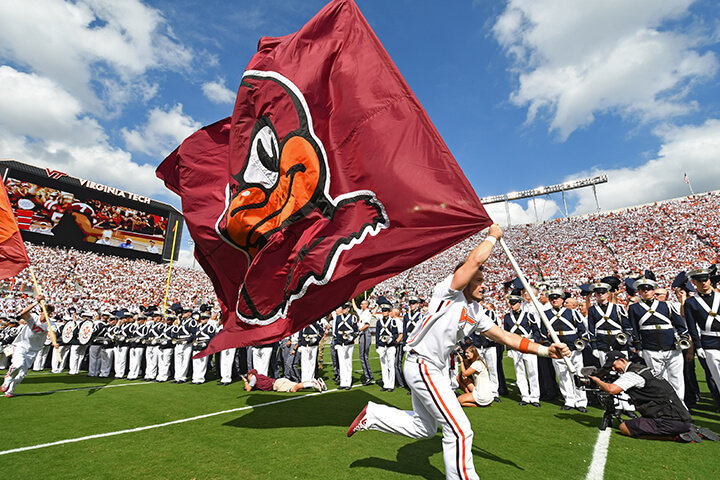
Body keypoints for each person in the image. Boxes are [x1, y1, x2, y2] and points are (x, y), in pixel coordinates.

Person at [347, 224, 570, 480]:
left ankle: (375, 415)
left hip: (434, 368)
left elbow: (506, 336)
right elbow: (474, 260)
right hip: (422, 364)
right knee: (460, 430)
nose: (484, 286)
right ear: (464, 280)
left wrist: (545, 350)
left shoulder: (477, 313)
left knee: (425, 428)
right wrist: (492, 237)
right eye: (479, 280)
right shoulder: (448, 293)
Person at [589, 351, 719, 442]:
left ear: (622, 360)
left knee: (625, 428)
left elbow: (612, 390)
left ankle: (677, 436)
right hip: (681, 415)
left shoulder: (632, 374)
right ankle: (687, 428)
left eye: (614, 365)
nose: (613, 369)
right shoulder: (643, 369)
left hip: (669, 419)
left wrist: (597, 380)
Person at [628, 276, 688, 400]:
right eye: (642, 289)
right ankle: (666, 404)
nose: (645, 291)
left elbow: (680, 325)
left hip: (671, 347)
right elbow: (634, 329)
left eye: (648, 289)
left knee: (676, 378)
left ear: (653, 291)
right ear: (639, 292)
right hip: (651, 348)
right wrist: (639, 347)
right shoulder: (634, 308)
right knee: (659, 379)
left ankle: (680, 404)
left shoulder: (667, 306)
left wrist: (683, 338)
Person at [540, 287, 590, 412]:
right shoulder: (545, 315)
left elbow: (583, 331)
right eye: (551, 298)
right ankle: (569, 400)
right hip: (558, 350)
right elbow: (542, 334)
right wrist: (549, 346)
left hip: (573, 348)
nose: (554, 300)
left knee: (578, 375)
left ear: (562, 300)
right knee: (563, 376)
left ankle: (581, 402)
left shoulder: (572, 313)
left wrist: (581, 344)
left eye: (556, 298)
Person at [2, 296, 58, 397]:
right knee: (17, 365)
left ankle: (11, 389)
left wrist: (54, 342)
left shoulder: (50, 323)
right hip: (21, 346)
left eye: (50, 312)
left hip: (33, 350)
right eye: (46, 311)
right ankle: (8, 379)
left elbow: (52, 333)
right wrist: (36, 302)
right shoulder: (33, 318)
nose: (48, 314)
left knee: (22, 373)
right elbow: (23, 313)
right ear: (41, 311)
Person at [684, 267, 720, 411]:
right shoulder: (691, 302)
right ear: (694, 283)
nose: (703, 283)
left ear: (710, 280)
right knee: (717, 376)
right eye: (699, 281)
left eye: (705, 280)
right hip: (709, 342)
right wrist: (698, 346)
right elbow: (692, 326)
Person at [503, 289, 541, 407]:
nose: (512, 305)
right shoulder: (507, 317)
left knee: (532, 371)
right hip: (515, 345)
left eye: (514, 303)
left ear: (520, 303)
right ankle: (524, 396)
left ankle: (535, 397)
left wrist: (533, 339)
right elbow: (506, 333)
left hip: (528, 343)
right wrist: (509, 349)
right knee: (519, 373)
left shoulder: (529, 315)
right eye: (511, 303)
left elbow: (536, 331)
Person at [334, 303, 358, 390]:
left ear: (348, 309)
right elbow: (336, 331)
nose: (343, 310)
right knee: (341, 363)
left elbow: (356, 331)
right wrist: (336, 342)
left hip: (349, 343)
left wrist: (352, 337)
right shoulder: (338, 318)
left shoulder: (353, 318)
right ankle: (343, 382)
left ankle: (348, 382)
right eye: (342, 308)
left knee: (348, 363)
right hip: (340, 342)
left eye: (345, 308)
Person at [243, 368, 326, 393]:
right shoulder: (259, 376)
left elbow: (248, 389)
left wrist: (246, 381)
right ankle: (316, 382)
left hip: (277, 384)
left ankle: (313, 383)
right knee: (299, 387)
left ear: (251, 375)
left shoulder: (253, 377)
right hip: (279, 381)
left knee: (294, 389)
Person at [353, 298, 375, 386]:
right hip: (363, 334)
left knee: (363, 356)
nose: (361, 305)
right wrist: (352, 298)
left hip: (365, 334)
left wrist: (358, 330)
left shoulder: (367, 313)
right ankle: (368, 376)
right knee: (362, 356)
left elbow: (367, 325)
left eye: (362, 304)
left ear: (366, 305)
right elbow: (355, 308)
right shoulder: (362, 312)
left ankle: (368, 376)